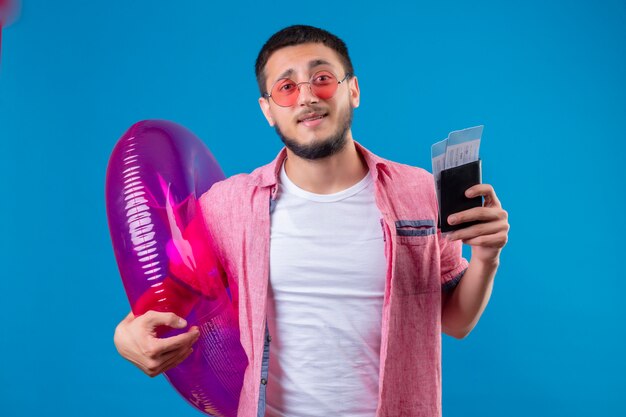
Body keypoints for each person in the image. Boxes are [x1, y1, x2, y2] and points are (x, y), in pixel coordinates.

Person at [113, 25, 509, 417]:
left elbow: (455, 321)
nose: (306, 97)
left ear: (352, 90)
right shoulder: (228, 205)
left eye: (322, 79)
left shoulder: (419, 190)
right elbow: (170, 296)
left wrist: (487, 257)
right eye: (286, 87)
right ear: (268, 110)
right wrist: (122, 336)